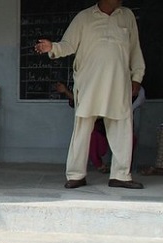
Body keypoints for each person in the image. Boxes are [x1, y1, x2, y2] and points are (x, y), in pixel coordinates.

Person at [35, 0, 145, 189]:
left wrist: (137, 76)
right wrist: (52, 47)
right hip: (89, 83)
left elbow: (135, 49)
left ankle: (121, 176)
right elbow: (68, 44)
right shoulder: (84, 17)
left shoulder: (127, 16)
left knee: (122, 127)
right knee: (83, 128)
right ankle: (76, 175)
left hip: (118, 83)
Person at [56, 82, 143, 174]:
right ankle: (99, 164)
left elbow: (133, 103)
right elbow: (80, 101)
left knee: (130, 139)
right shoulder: (97, 87)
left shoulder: (131, 89)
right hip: (101, 125)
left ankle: (122, 168)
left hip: (120, 123)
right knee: (90, 136)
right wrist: (66, 91)